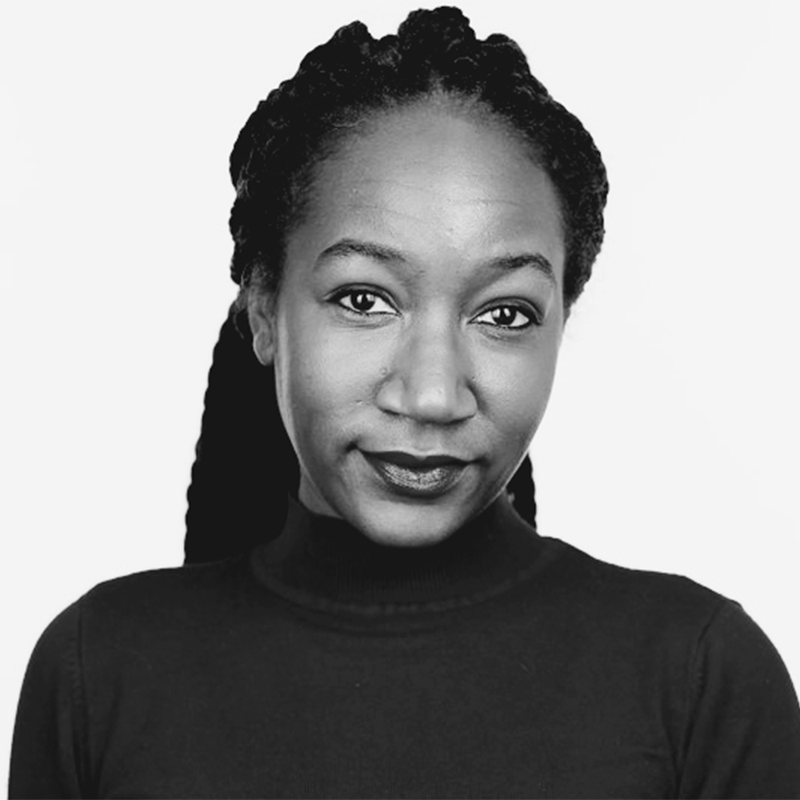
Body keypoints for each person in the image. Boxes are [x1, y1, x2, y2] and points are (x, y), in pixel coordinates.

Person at [9, 7, 800, 798]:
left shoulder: (698, 681)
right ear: (262, 309)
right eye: (363, 299)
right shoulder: (99, 672)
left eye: (505, 314)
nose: (432, 394)